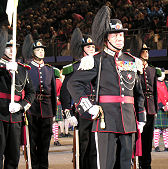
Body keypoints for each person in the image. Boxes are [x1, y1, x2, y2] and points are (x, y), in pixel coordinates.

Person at [67, 6, 146, 169]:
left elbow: (138, 93)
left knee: (126, 164)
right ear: (106, 39)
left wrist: (141, 117)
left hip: (128, 121)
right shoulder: (95, 60)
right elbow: (73, 84)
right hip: (106, 121)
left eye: (121, 34)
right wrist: (89, 107)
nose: (120, 38)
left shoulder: (132, 61)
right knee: (106, 164)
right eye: (115, 35)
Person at [60, 28, 96, 169]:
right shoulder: (73, 68)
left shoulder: (99, 65)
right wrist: (68, 114)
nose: (92, 49)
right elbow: (65, 93)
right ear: (82, 49)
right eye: (88, 47)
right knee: (83, 147)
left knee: (95, 147)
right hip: (81, 111)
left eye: (93, 46)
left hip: (98, 110)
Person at [0, 28, 35, 169]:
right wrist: (4, 67)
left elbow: (31, 92)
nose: (11, 50)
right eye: (8, 47)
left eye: (13, 47)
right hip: (0, 115)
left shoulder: (22, 69)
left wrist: (21, 105)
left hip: (15, 117)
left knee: (13, 155)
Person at [23, 35, 57, 169]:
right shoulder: (26, 69)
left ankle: (43, 166)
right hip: (32, 109)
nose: (41, 52)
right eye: (38, 50)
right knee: (32, 142)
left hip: (47, 109)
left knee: (45, 143)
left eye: (42, 50)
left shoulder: (49, 69)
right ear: (33, 52)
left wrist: (54, 111)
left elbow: (53, 92)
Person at [130, 35, 159, 169]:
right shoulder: (133, 69)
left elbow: (154, 91)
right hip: (137, 108)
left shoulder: (152, 70)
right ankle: (135, 163)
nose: (146, 53)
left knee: (148, 140)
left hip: (150, 108)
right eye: (144, 51)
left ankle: (146, 165)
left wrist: (155, 109)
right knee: (136, 140)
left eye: (147, 51)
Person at [153, 68, 168, 152]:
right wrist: (162, 106)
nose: (163, 76)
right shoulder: (155, 84)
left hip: (167, 107)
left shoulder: (167, 83)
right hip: (159, 108)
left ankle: (167, 146)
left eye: (164, 74)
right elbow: (155, 96)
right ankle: (156, 146)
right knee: (157, 128)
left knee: (166, 128)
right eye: (161, 74)